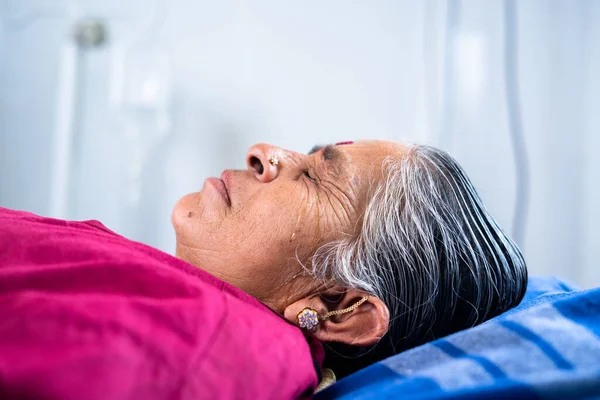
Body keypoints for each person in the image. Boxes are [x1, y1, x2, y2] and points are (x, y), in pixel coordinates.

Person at [0, 140, 527, 399]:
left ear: (338, 308)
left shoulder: (207, 349)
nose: (263, 153)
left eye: (316, 180)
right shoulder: (188, 308)